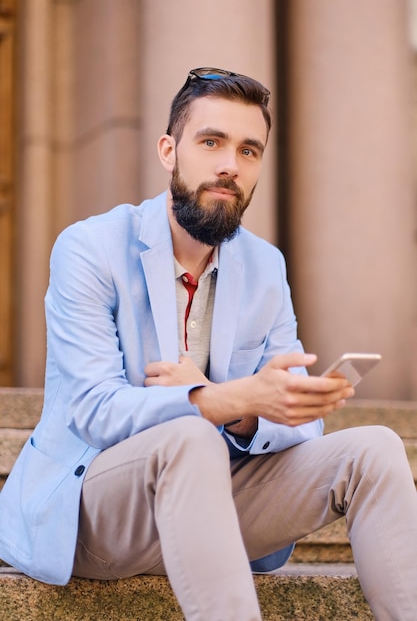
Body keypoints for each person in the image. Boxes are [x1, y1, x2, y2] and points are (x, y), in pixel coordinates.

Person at [0, 67, 416, 621]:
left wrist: (240, 409)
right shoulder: (90, 248)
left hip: (213, 504)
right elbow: (93, 410)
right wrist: (223, 400)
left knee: (377, 448)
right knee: (189, 439)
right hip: (92, 514)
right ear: (169, 150)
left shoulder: (265, 266)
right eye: (212, 142)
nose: (230, 164)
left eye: (249, 150)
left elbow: (297, 419)